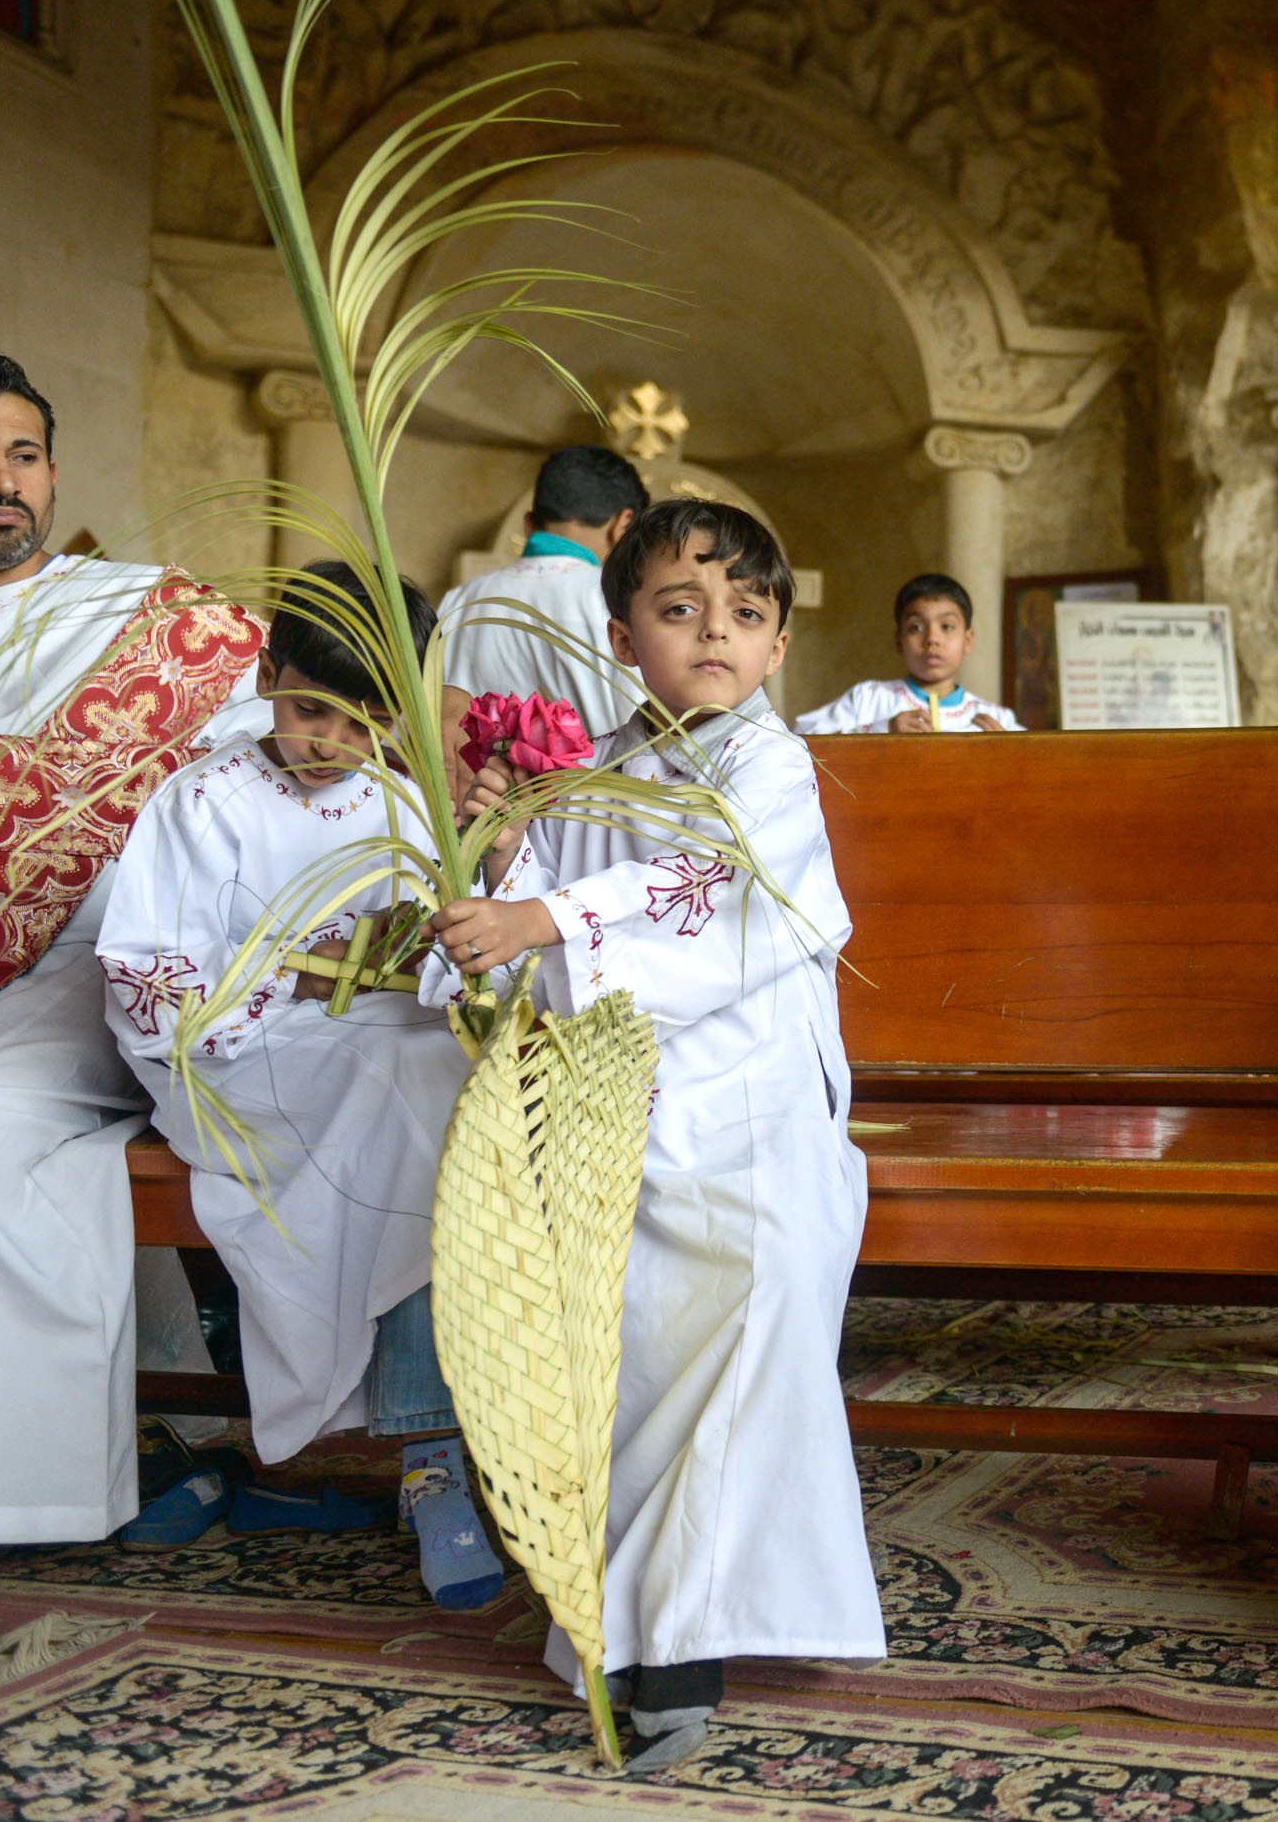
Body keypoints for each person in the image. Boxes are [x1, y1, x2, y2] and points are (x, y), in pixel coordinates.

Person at [424, 498, 877, 1763]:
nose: (713, 635)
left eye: (744, 614)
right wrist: (498, 862)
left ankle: (677, 1645)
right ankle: (626, 1614)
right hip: (617, 1120)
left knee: (734, 1351)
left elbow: (723, 887)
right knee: (632, 1370)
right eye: (679, 611)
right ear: (625, 637)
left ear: (781, 645)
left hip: (752, 1119)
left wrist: (552, 920)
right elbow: (504, 933)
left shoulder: (767, 765)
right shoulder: (589, 774)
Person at [0, 343, 265, 1557]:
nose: (3, 482)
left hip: (85, 970)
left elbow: (282, 767)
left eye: (24, 454)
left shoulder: (154, 624)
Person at [96, 562, 504, 1600]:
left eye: (365, 721)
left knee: (463, 1084)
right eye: (309, 709)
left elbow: (444, 953)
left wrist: (448, 929)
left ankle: (452, 1440)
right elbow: (149, 970)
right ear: (267, 676)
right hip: (238, 1064)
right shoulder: (205, 802)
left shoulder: (403, 802)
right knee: (420, 1087)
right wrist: (296, 974)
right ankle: (431, 1457)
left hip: (380, 1051)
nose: (330, 742)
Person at [437, 445, 651, 761]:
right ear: (623, 524)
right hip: (587, 803)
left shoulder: (460, 601)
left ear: (529, 524)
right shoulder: (618, 597)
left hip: (469, 805)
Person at [793, 572, 1019, 733]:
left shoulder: (997, 720)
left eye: (947, 626)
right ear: (899, 640)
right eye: (916, 628)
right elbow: (803, 737)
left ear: (967, 640)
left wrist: (1005, 752)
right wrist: (882, 730)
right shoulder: (868, 699)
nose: (932, 639)